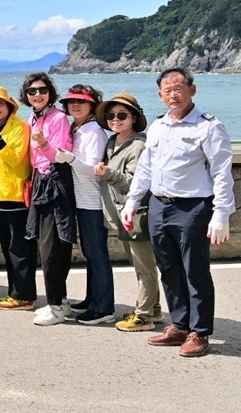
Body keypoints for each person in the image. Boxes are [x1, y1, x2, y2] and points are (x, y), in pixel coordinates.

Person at [123, 68, 235, 358]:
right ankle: (180, 325)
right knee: (169, 269)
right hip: (159, 205)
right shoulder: (158, 126)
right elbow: (145, 168)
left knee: (195, 271)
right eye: (167, 90)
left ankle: (200, 332)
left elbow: (222, 173)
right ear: (160, 95)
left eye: (178, 88)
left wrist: (221, 214)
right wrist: (132, 202)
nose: (173, 94)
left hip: (193, 207)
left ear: (192, 90)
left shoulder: (209, 127)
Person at [93, 92, 162, 332]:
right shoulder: (113, 142)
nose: (115, 119)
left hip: (136, 213)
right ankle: (153, 308)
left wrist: (107, 174)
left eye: (122, 115)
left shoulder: (138, 145)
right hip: (122, 214)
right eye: (111, 115)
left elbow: (135, 184)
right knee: (138, 262)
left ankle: (144, 316)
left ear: (134, 118)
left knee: (144, 267)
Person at [22, 72, 76, 327]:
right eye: (32, 91)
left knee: (52, 245)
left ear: (50, 93)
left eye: (42, 90)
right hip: (41, 181)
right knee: (49, 244)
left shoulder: (59, 118)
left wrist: (43, 144)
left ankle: (55, 306)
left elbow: (59, 155)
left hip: (55, 181)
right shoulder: (34, 117)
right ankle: (60, 301)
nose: (37, 94)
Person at [60, 84, 116, 325]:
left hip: (92, 201)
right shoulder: (78, 128)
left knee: (97, 254)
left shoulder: (93, 131)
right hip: (82, 200)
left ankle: (103, 308)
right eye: (71, 101)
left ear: (92, 106)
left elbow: (94, 169)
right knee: (90, 253)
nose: (75, 105)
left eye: (81, 101)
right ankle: (93, 299)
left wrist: (71, 159)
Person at [0, 86, 37, 311]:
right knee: (8, 248)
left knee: (20, 249)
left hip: (16, 196)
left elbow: (14, 159)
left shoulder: (19, 126)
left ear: (9, 105)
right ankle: (16, 293)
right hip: (0, 196)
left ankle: (24, 296)